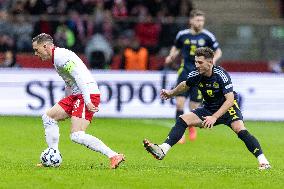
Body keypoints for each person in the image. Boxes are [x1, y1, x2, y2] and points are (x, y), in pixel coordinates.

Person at [143, 47, 271, 170]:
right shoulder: (196, 74)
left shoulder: (221, 75)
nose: (197, 65)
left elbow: (230, 100)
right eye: (195, 62)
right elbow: (185, 85)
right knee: (183, 119)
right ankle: (162, 150)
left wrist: (214, 117)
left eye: (200, 62)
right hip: (208, 108)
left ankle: (263, 161)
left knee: (240, 130)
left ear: (210, 62)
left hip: (227, 108)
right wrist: (171, 93)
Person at [32, 33, 125, 169]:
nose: (36, 53)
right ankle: (53, 156)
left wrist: (87, 101)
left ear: (45, 46)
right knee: (48, 117)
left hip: (86, 93)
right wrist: (65, 101)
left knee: (76, 135)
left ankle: (114, 155)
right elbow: (69, 82)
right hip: (77, 95)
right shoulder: (57, 57)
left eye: (36, 49)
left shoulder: (61, 57)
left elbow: (79, 77)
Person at [164, 9, 222, 142]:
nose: (200, 23)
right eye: (198, 20)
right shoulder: (182, 35)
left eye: (202, 20)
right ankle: (180, 134)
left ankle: (191, 126)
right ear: (191, 21)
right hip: (185, 71)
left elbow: (218, 51)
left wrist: (212, 61)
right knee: (179, 103)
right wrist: (171, 56)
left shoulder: (208, 36)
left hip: (201, 74)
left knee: (194, 106)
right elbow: (176, 47)